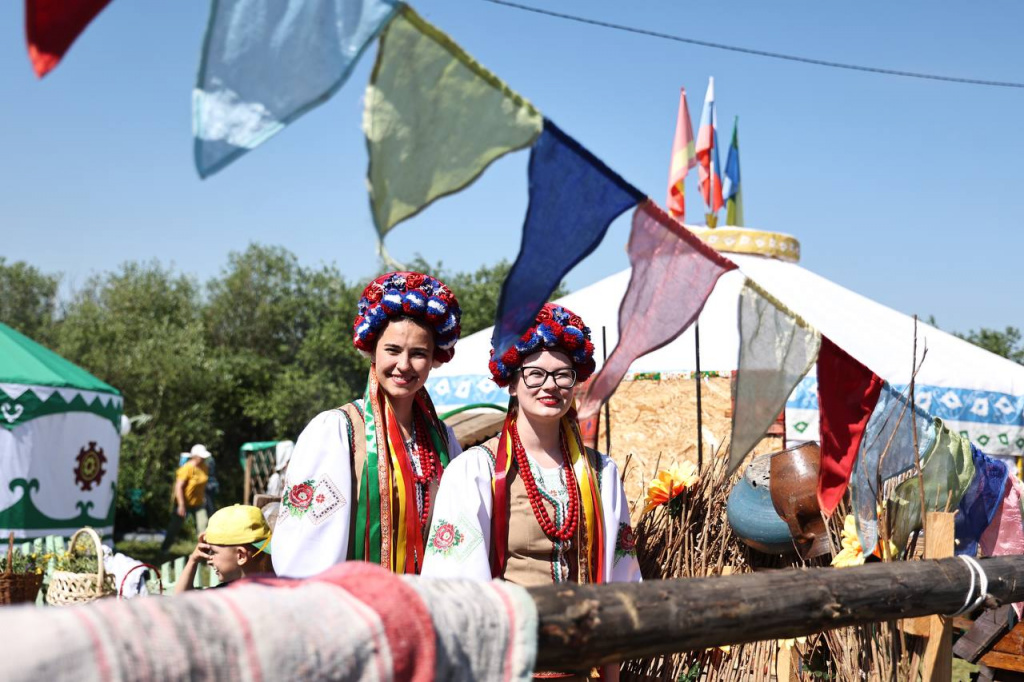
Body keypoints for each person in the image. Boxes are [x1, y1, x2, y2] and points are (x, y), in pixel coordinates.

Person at [421, 304, 640, 679]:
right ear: (511, 380)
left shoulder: (602, 473)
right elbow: (457, 591)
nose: (550, 386)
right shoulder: (477, 471)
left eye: (562, 375)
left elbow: (620, 587)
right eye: (535, 374)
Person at [272, 272, 464, 578]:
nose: (404, 365)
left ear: (433, 360)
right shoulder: (338, 431)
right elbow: (306, 545)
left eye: (418, 354)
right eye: (393, 350)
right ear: (372, 350)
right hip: (356, 608)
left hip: (426, 608)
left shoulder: (443, 441)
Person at [175, 504, 274, 593]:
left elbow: (182, 597)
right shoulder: (276, 588)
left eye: (213, 552)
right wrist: (193, 559)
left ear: (241, 555)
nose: (209, 560)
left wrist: (193, 560)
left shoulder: (225, 595)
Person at [161, 444, 213, 554]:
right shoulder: (187, 468)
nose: (203, 459)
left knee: (204, 526)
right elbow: (178, 487)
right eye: (201, 457)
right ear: (195, 457)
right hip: (183, 503)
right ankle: (164, 549)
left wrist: (202, 496)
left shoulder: (204, 467)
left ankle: (204, 552)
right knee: (174, 527)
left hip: (198, 504)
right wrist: (181, 505)